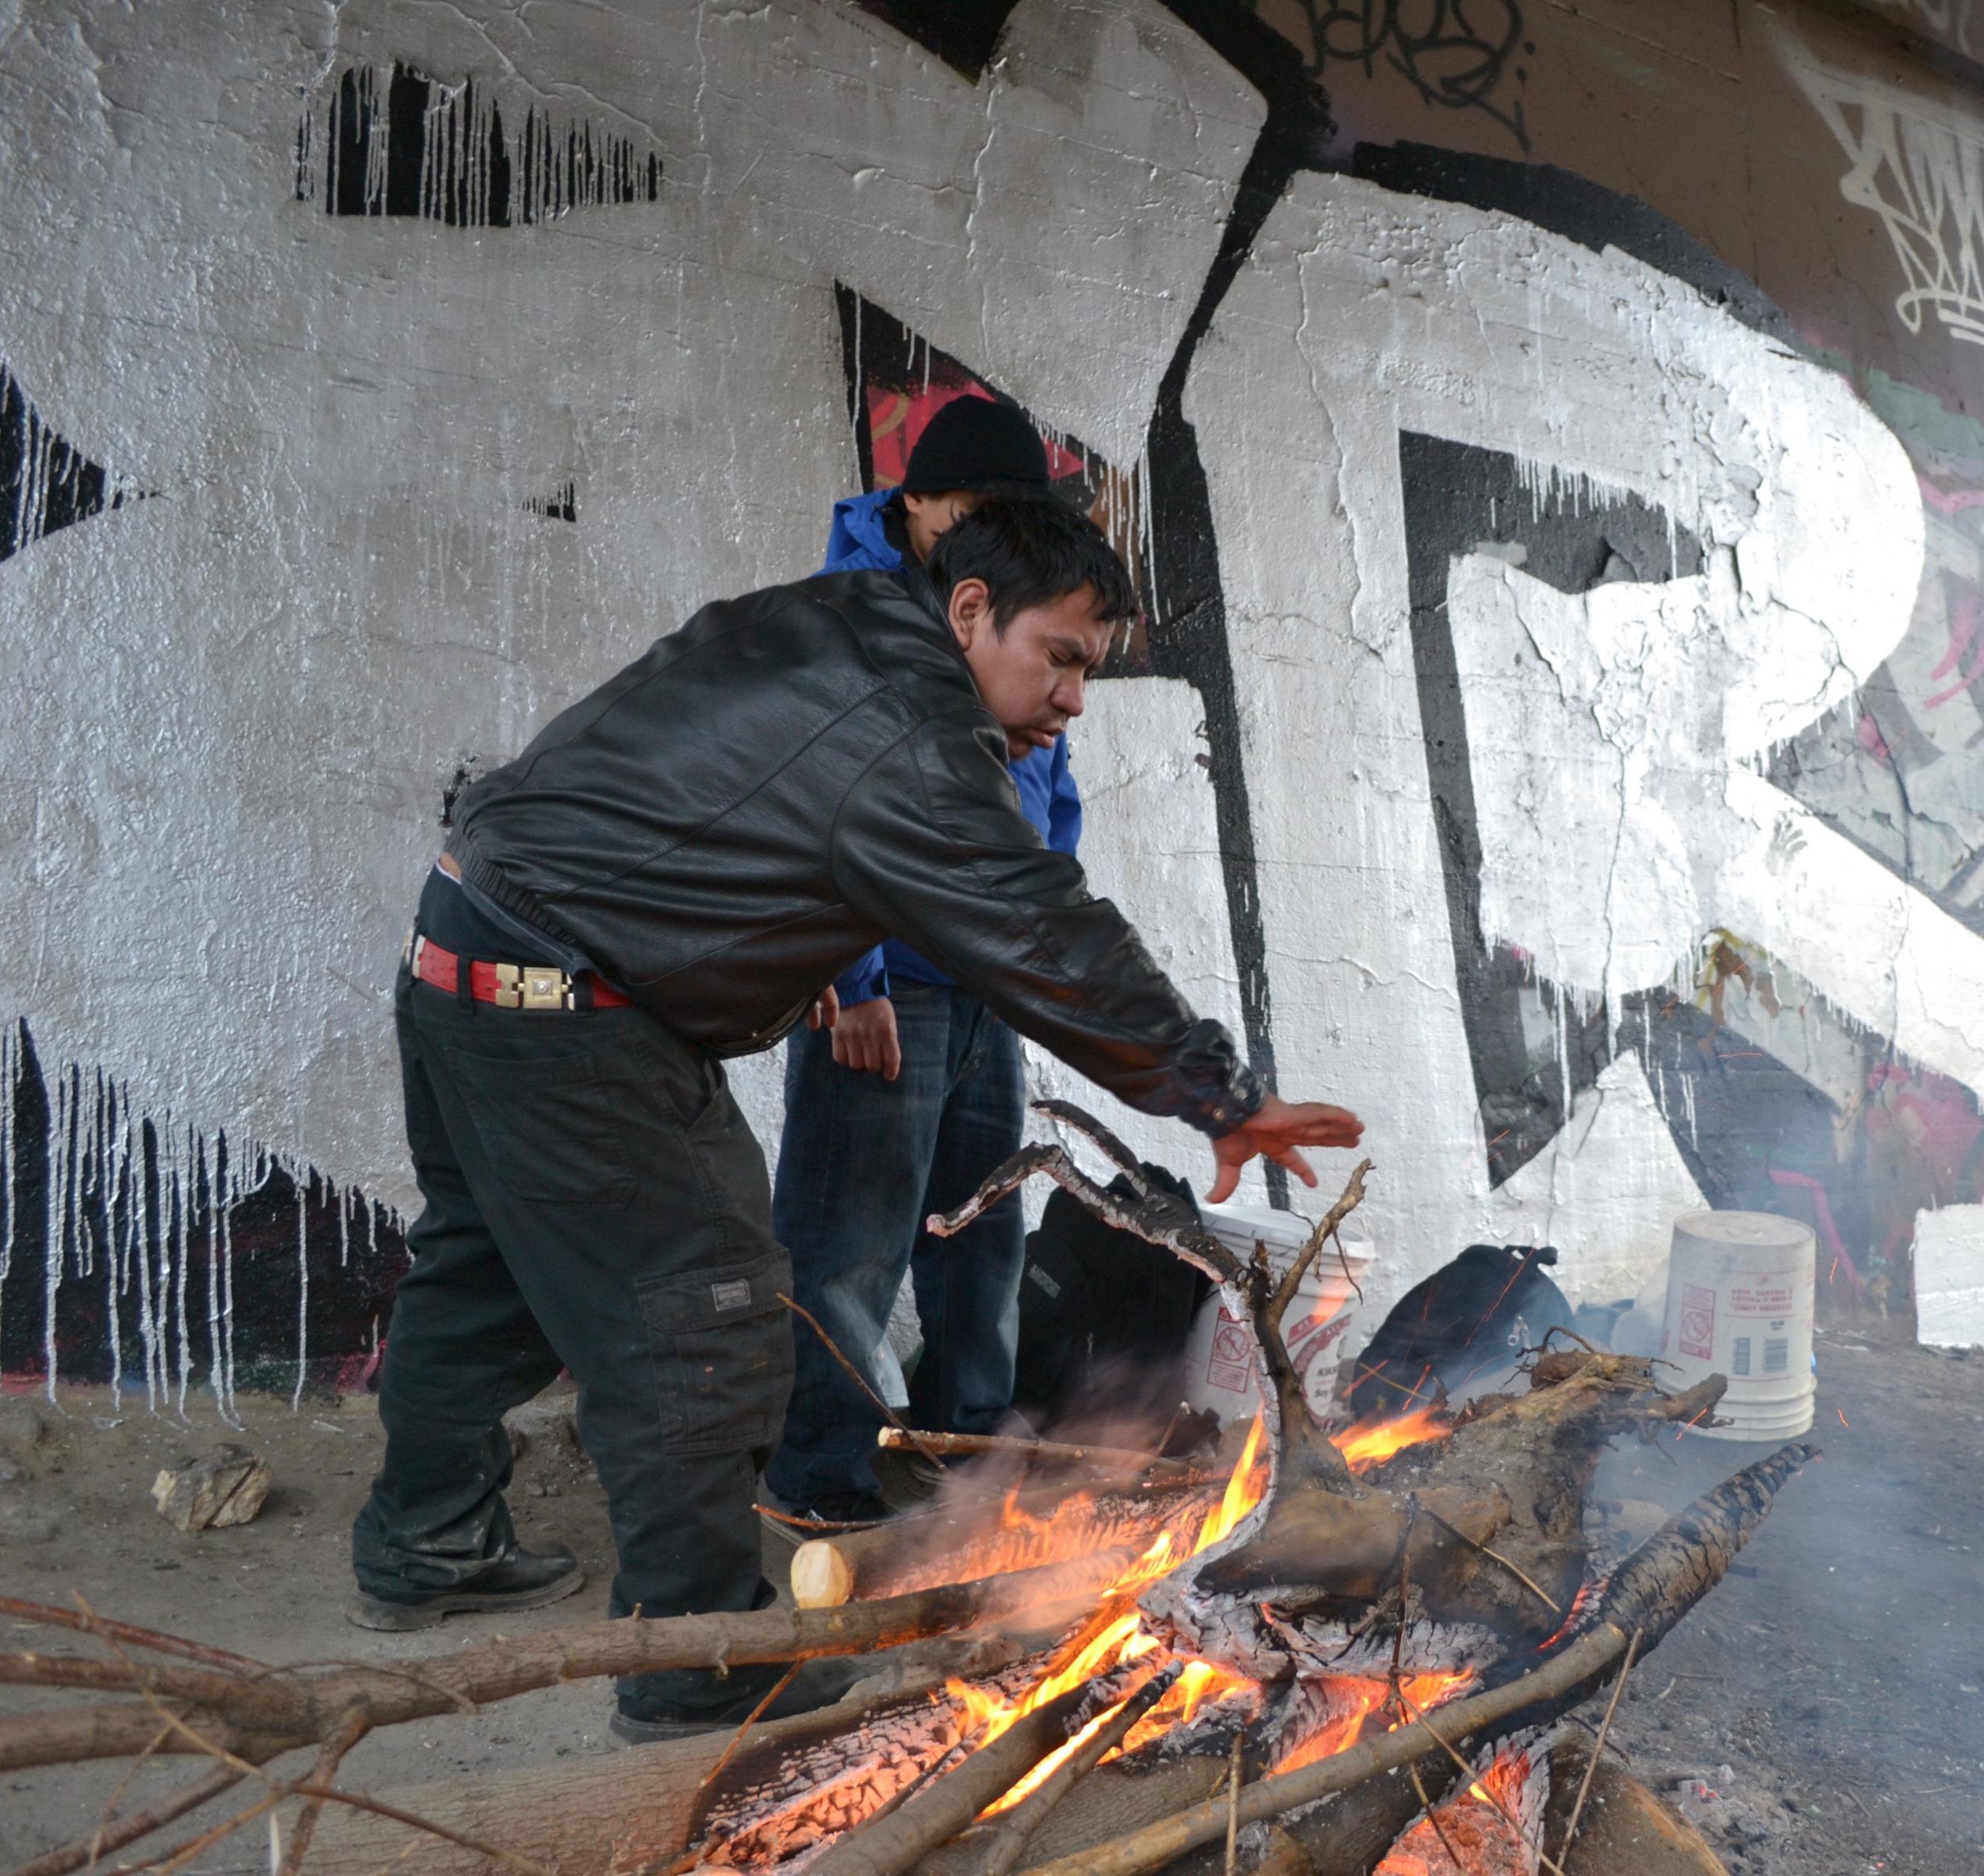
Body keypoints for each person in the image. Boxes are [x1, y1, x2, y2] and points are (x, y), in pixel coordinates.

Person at [351, 496, 1360, 1742]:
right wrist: (1215, 1088)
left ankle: (428, 1537)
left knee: (486, 1263)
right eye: (1062, 658)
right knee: (704, 1309)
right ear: (973, 608)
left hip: (469, 948)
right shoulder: (912, 734)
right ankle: (695, 1662)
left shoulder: (842, 622)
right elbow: (1038, 926)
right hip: (571, 1002)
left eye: (1090, 672)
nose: (1074, 699)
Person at [768, 394, 1080, 1525]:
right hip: (885, 986)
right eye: (971, 510)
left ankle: (971, 1453)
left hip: (982, 983)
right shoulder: (848, 613)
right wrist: (848, 977)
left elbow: (1051, 788)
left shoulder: (1016, 599)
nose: (990, 531)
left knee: (980, 1233)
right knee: (846, 1247)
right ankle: (819, 1488)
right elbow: (817, 803)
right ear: (915, 506)